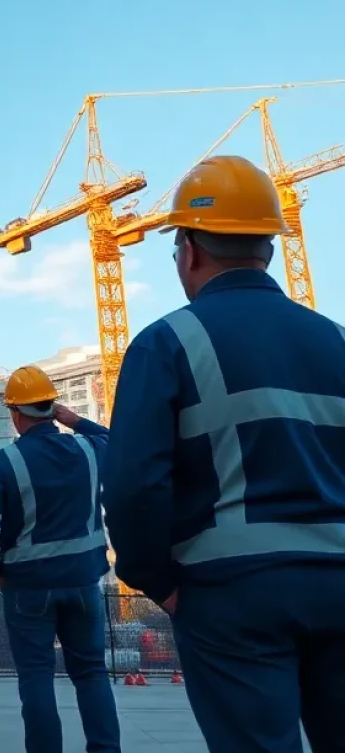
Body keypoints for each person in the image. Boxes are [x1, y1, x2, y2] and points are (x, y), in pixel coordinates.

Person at [103, 154, 345, 752]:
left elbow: (134, 484)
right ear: (267, 247)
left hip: (233, 591)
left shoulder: (167, 342)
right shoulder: (336, 339)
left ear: (187, 248)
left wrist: (156, 580)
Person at [0, 366, 120, 753]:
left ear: (16, 415)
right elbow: (120, 443)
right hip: (85, 583)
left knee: (36, 676)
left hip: (28, 587)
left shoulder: (4, 463)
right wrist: (78, 421)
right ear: (52, 408)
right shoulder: (88, 450)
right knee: (90, 673)